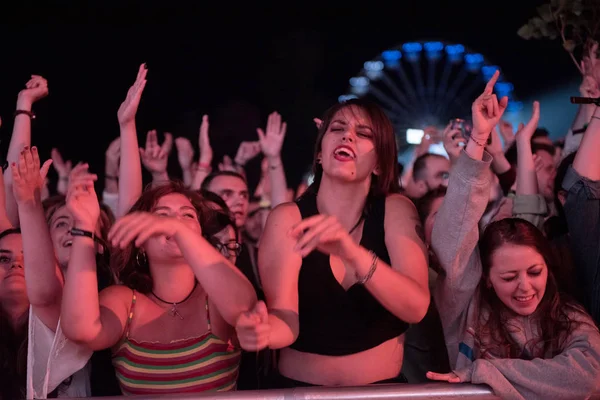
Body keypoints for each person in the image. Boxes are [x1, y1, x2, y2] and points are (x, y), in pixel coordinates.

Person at [427, 71, 600, 399]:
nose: (525, 286)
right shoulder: (465, 304)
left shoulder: (565, 312)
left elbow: (590, 374)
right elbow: (455, 235)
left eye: (535, 272)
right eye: (508, 277)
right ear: (485, 277)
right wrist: (478, 139)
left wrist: (483, 372)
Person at [236, 98, 430, 386]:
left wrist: (352, 253)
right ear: (320, 154)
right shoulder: (288, 218)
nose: (347, 135)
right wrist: (262, 331)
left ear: (379, 164)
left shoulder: (396, 210)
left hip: (382, 392)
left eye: (363, 134)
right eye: (337, 128)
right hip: (299, 391)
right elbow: (285, 319)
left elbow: (415, 307)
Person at [60, 182, 257, 395]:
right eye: (162, 215)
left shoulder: (215, 298)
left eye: (188, 216)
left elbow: (246, 307)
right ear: (140, 241)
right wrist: (84, 227)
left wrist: (178, 231)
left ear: (200, 235)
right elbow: (80, 330)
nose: (175, 222)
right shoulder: (124, 301)